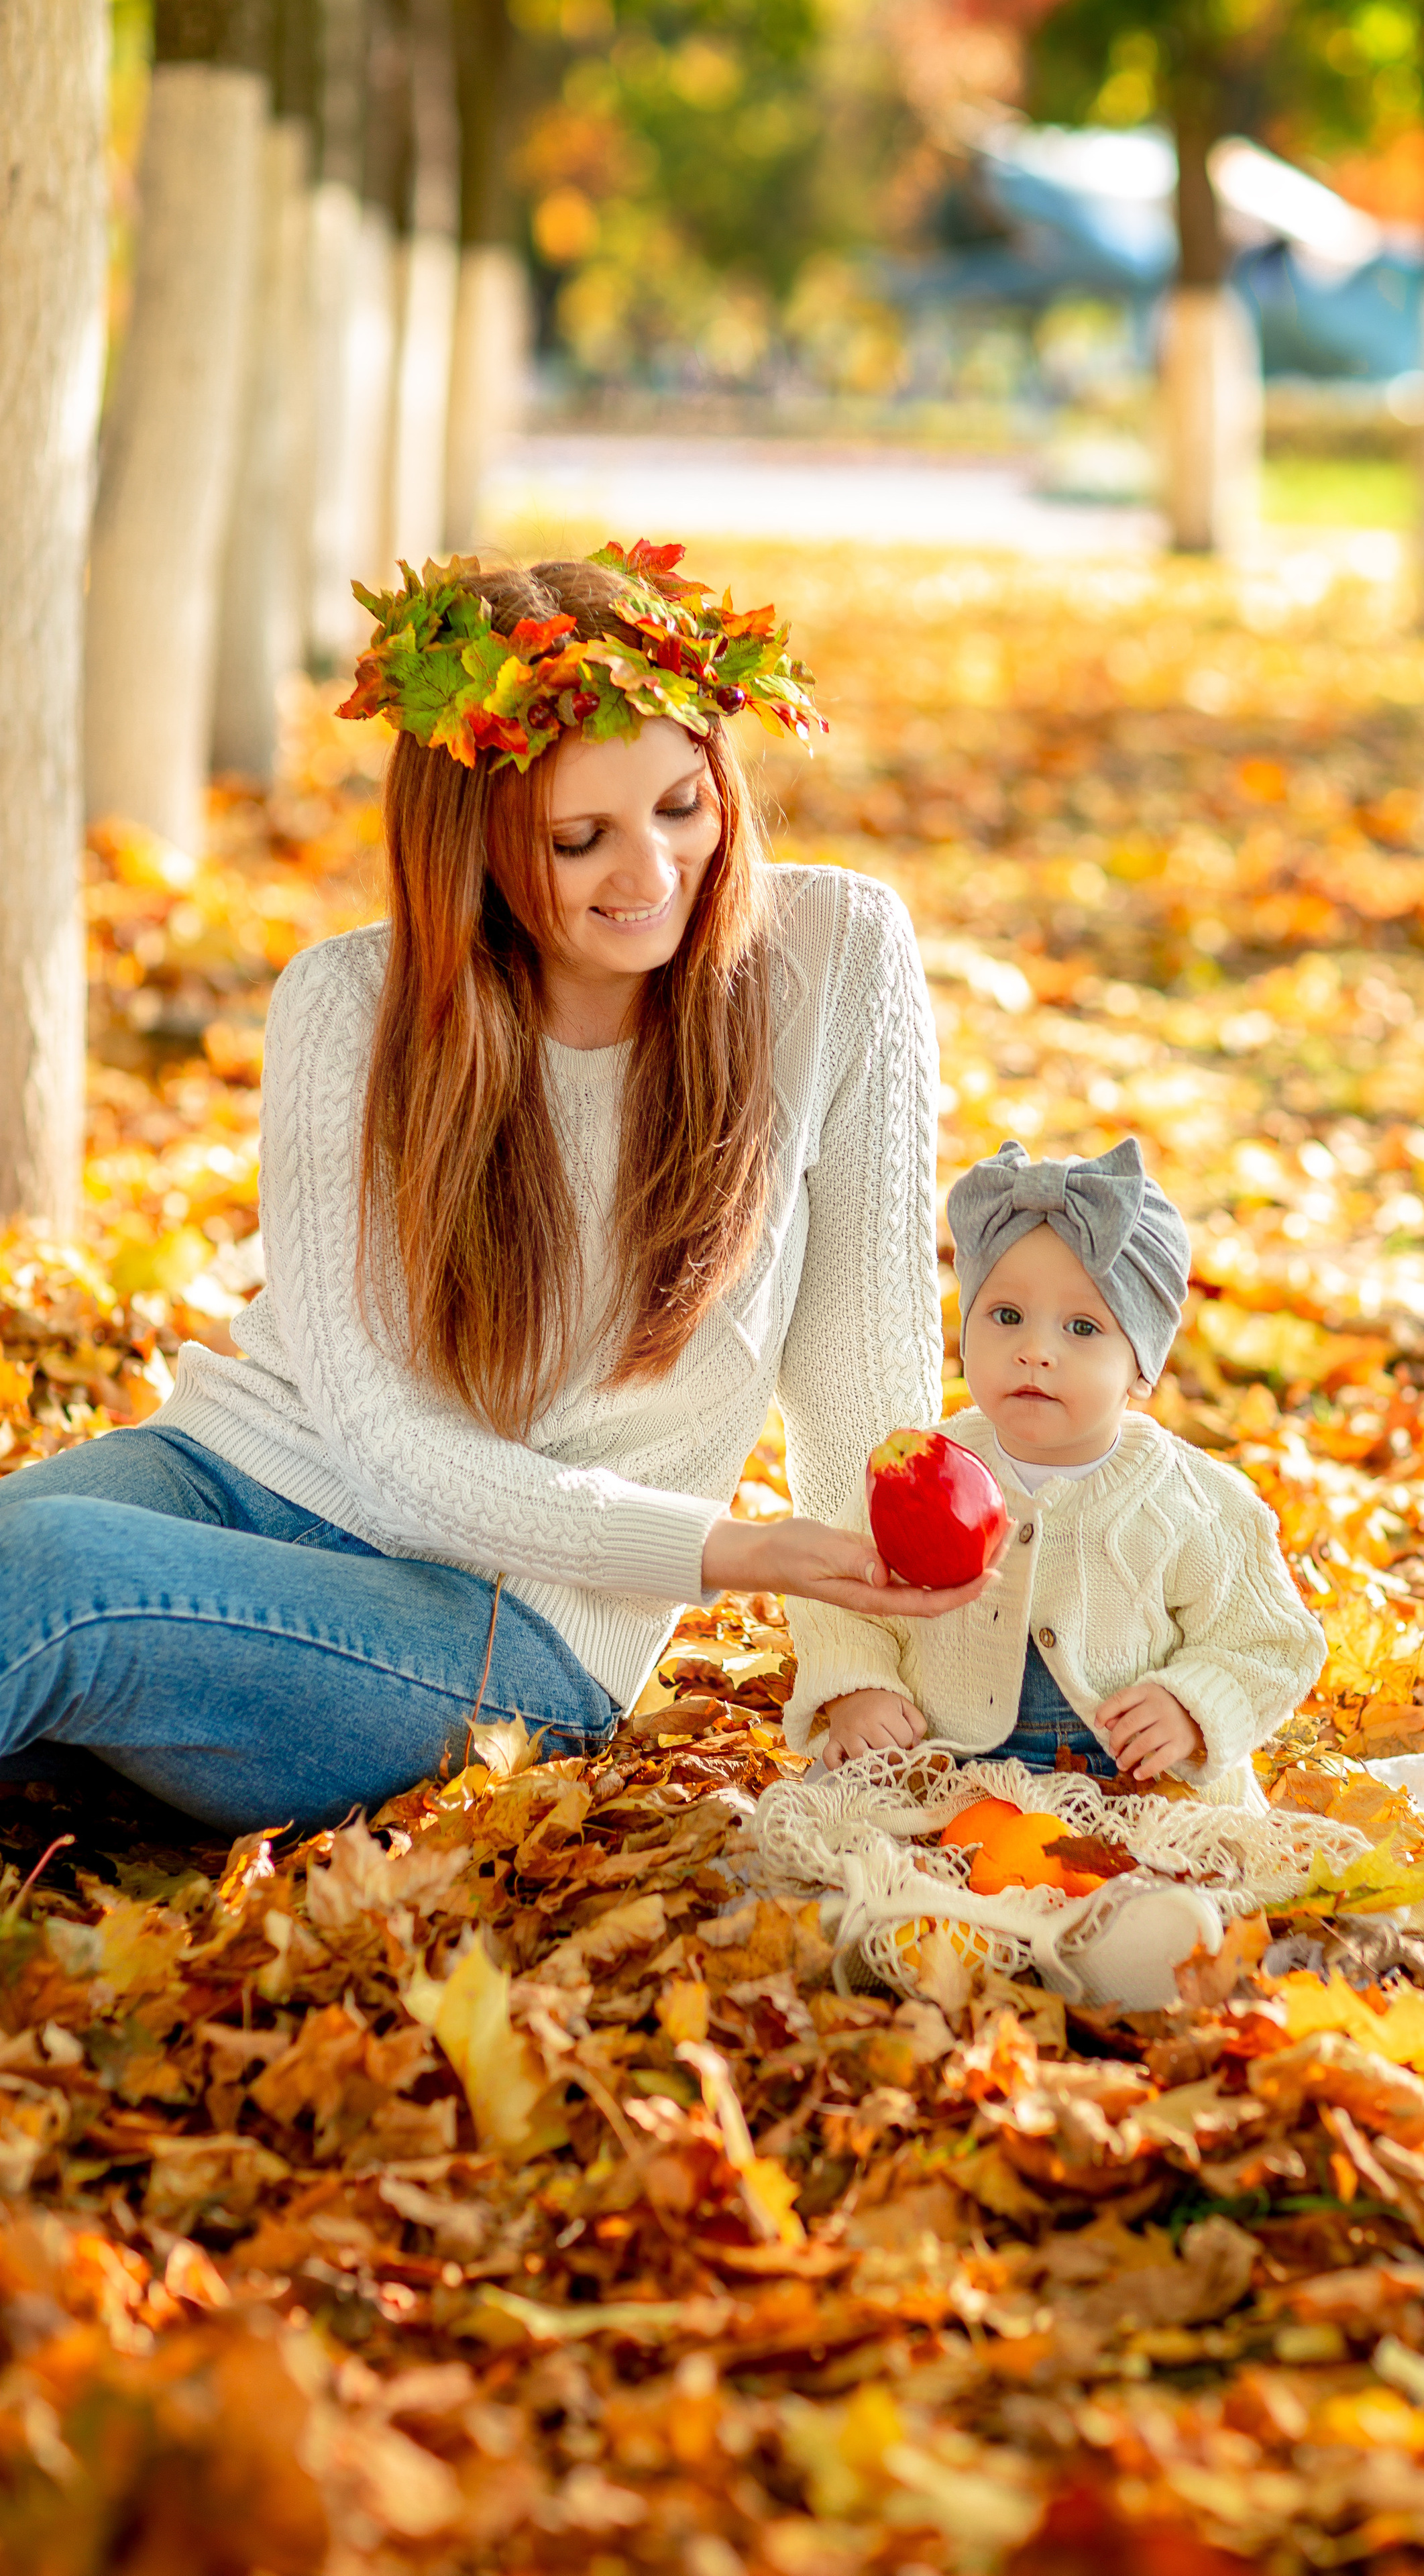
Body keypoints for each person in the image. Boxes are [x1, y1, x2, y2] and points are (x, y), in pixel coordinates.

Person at [0, 541, 991, 1832]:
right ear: (471, 847)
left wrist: (855, 1673)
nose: (651, 876)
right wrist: (722, 1551)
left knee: (49, 1578)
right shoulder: (351, 1006)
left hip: (511, 1625)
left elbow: (869, 1383)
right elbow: (386, 1443)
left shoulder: (832, 958)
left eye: (683, 809)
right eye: (580, 840)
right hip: (232, 1477)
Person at [783, 1138, 1325, 1808]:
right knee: (834, 1833)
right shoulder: (922, 1471)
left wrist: (1190, 1708)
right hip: (939, 1771)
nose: (1035, 1352)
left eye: (1082, 1327)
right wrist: (858, 1688)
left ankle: (1141, 1912)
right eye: (1005, 1317)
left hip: (1126, 1789)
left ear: (1141, 1365)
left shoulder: (1196, 1503)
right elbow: (835, 1591)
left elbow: (1269, 1641)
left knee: (1171, 1873)